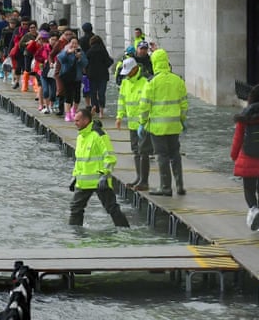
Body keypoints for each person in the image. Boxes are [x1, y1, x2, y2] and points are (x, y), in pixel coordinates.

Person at [68, 107, 130, 227]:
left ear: (86, 120)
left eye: (77, 121)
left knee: (112, 208)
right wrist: (75, 176)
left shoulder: (99, 135)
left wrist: (104, 175)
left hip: (100, 181)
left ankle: (125, 231)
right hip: (84, 181)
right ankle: (75, 233)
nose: (75, 123)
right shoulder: (81, 136)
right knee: (75, 208)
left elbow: (110, 157)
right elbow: (80, 160)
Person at [138, 49, 188, 196]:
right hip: (174, 126)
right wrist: (182, 120)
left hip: (157, 127)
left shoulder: (151, 82)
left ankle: (165, 187)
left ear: (154, 63)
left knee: (162, 155)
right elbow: (184, 104)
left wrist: (142, 122)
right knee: (175, 154)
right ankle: (180, 186)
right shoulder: (178, 80)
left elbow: (144, 106)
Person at [231, 85, 259, 232]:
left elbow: (238, 138)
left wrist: (234, 155)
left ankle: (253, 209)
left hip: (248, 158)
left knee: (249, 188)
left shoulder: (245, 115)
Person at [115, 58, 152, 190]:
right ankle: (138, 177)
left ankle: (144, 181)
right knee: (136, 151)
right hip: (132, 124)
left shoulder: (145, 82)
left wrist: (144, 121)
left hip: (143, 124)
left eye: (129, 72)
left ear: (135, 69)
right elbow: (121, 101)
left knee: (143, 152)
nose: (127, 75)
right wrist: (119, 116)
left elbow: (148, 103)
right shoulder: (125, 83)